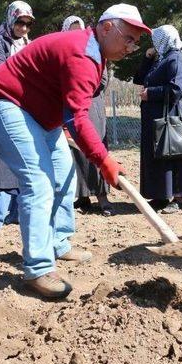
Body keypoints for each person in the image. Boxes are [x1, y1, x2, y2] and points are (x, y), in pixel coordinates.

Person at [0, 3, 151, 298]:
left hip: (39, 117)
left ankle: (58, 242)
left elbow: (72, 109)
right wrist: (103, 159)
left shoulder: (95, 53)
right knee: (39, 182)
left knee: (65, 175)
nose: (132, 47)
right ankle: (37, 269)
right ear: (107, 27)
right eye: (129, 38)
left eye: (136, 43)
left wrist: (102, 158)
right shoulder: (82, 54)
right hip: (7, 106)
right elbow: (77, 117)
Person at [0, 1, 35, 243]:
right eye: (19, 22)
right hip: (0, 107)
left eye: (28, 23)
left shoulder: (29, 45)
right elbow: (0, 73)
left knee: (23, 162)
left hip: (25, 108)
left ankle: (16, 213)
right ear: (11, 19)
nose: (23, 27)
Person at [133, 25, 182, 214]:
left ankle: (177, 198)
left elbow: (176, 90)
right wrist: (147, 57)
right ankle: (160, 195)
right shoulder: (161, 59)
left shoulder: (176, 58)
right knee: (157, 156)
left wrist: (150, 93)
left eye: (156, 40)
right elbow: (138, 78)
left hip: (170, 116)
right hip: (154, 117)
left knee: (172, 154)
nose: (154, 44)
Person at [61, 15, 114, 216]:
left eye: (79, 29)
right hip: (72, 107)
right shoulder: (65, 50)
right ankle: (83, 197)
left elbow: (102, 81)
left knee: (96, 147)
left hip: (92, 106)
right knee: (77, 153)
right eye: (71, 30)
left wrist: (80, 88)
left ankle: (103, 197)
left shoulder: (96, 50)